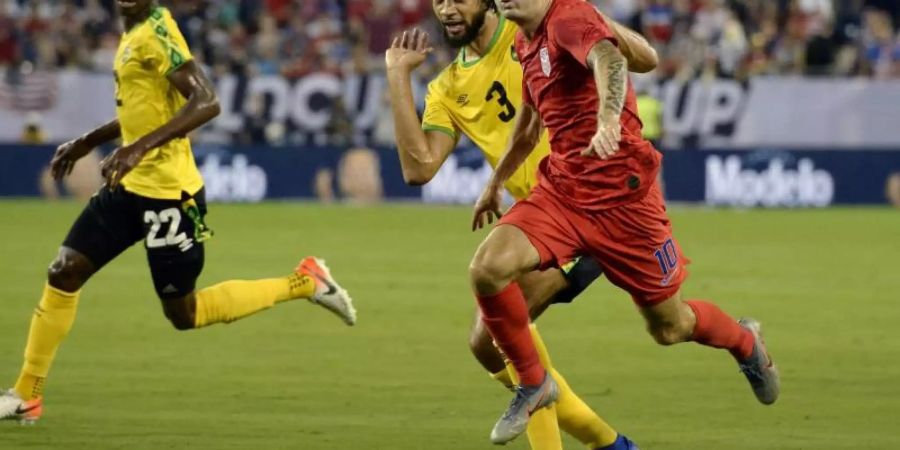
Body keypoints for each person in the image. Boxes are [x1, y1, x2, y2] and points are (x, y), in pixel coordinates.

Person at [0, 0, 356, 424]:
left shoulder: (156, 32)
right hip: (130, 187)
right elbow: (144, 110)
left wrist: (136, 149)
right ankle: (27, 393)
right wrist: (87, 141)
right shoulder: (133, 33)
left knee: (183, 314)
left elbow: (207, 101)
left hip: (171, 197)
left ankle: (304, 282)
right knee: (64, 271)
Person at [469, 0, 780, 444]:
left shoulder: (568, 19)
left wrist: (609, 117)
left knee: (669, 328)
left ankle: (745, 341)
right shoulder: (524, 41)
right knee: (487, 269)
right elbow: (529, 124)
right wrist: (494, 183)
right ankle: (535, 382)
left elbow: (611, 59)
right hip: (564, 194)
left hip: (627, 205)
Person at [385, 1, 656, 448]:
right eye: (439, 0)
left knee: (504, 330)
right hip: (540, 221)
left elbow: (643, 58)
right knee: (490, 343)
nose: (448, 9)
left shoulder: (535, 27)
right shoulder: (448, 88)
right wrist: (397, 75)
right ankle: (611, 445)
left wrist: (592, 21)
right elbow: (419, 169)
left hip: (590, 203)